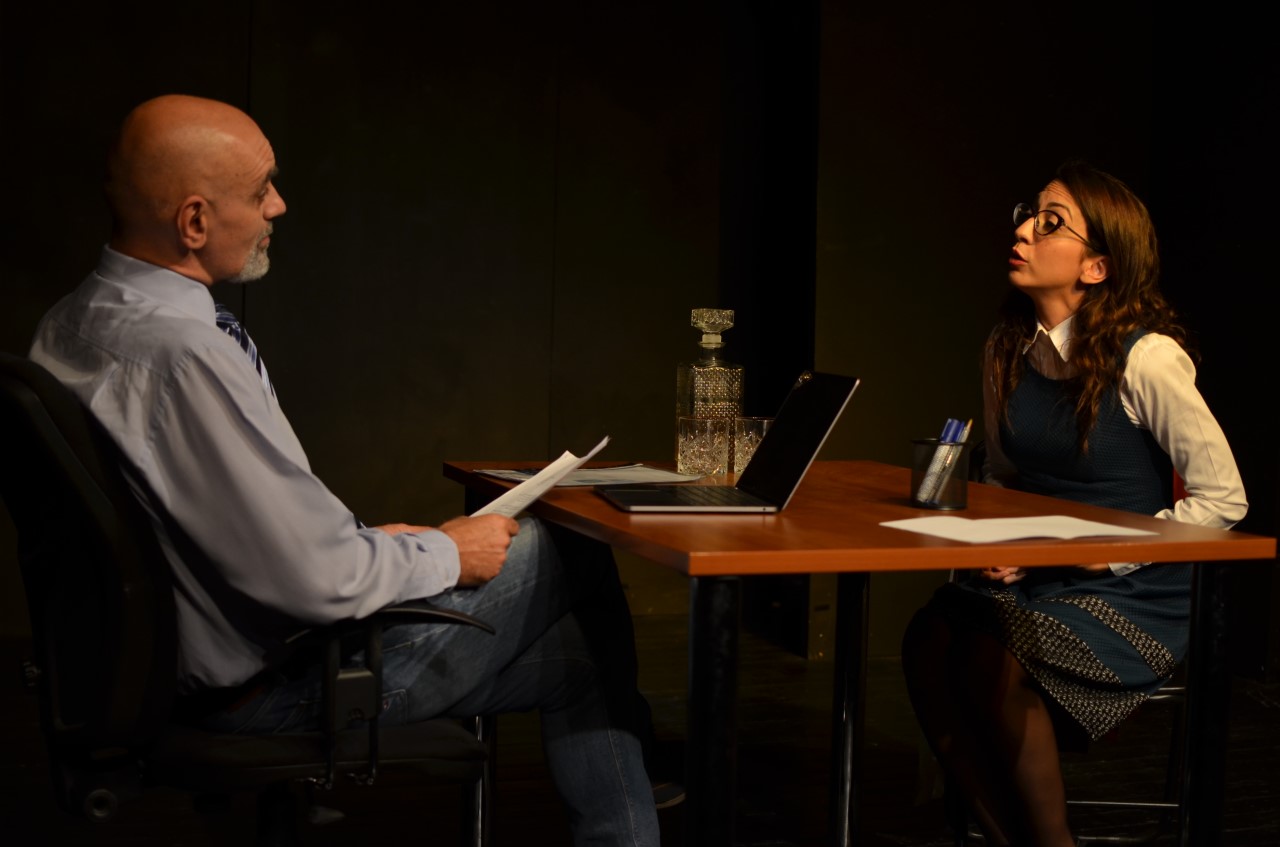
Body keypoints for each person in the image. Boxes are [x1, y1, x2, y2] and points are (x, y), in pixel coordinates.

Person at [29, 93, 664, 846]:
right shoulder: (182, 355)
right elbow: (311, 582)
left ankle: (638, 790)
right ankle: (654, 757)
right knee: (572, 539)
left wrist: (371, 545)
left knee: (582, 662)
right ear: (194, 222)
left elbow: (221, 524)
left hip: (153, 677)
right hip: (275, 689)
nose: (279, 205)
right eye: (261, 189)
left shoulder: (74, 320)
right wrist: (445, 551)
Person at [900, 161, 1247, 847]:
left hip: (1133, 589)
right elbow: (1004, 476)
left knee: (989, 652)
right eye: (1028, 215)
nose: (1024, 230)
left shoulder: (1146, 359)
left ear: (1095, 267)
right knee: (929, 637)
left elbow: (1223, 497)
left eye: (1050, 223)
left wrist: (1103, 555)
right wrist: (1000, 541)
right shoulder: (1006, 348)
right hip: (1037, 572)